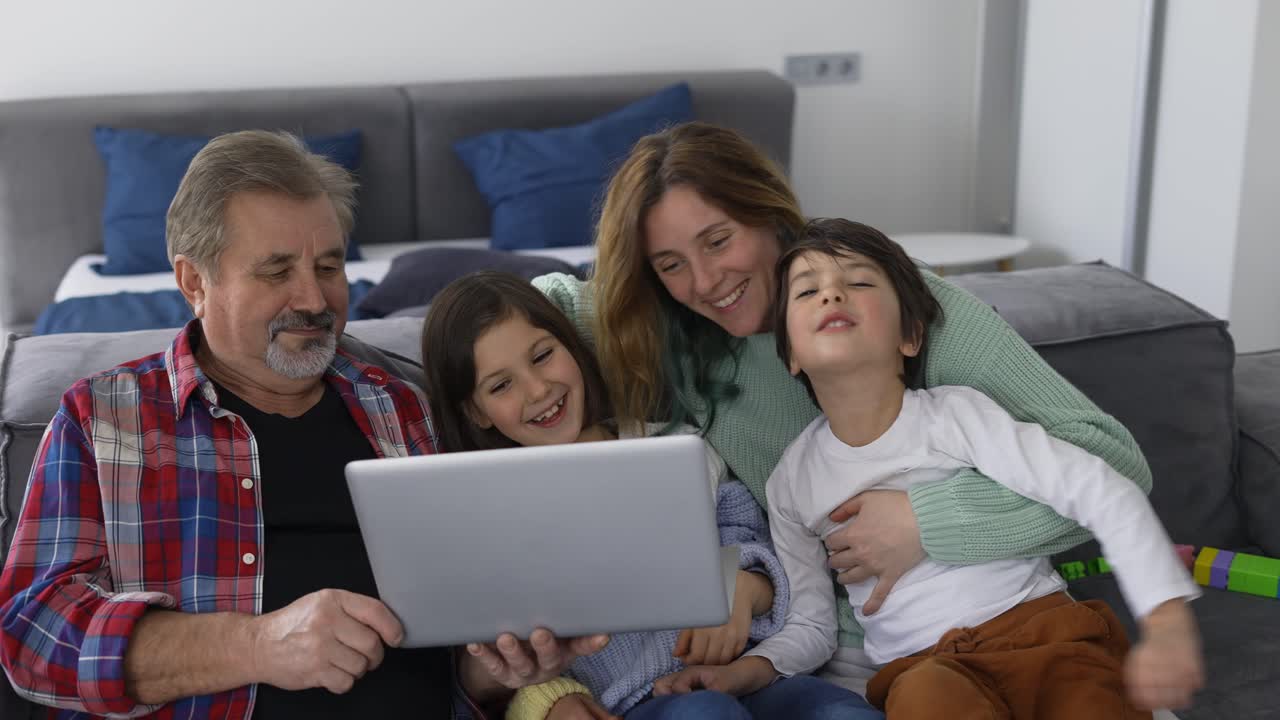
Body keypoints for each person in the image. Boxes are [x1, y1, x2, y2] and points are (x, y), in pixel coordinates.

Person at [533, 122, 1157, 693]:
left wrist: (925, 523)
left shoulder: (888, 305)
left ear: (769, 214)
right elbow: (539, 306)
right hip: (843, 658)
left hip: (1005, 621)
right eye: (671, 264)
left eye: (718, 240)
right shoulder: (671, 330)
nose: (704, 282)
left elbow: (1116, 467)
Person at [0, 131, 592, 720]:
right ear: (194, 283)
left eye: (329, 265)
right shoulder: (103, 420)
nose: (314, 298)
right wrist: (256, 646)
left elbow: (460, 640)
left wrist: (494, 672)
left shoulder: (407, 410)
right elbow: (30, 635)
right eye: (277, 271)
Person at [653, 219, 1205, 717]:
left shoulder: (957, 416)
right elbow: (812, 624)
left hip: (1042, 635)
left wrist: (1165, 620)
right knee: (924, 701)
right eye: (807, 291)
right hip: (923, 670)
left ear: (909, 337)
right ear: (791, 354)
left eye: (859, 283)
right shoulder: (792, 483)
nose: (832, 293)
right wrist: (742, 674)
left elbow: (1099, 486)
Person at [420, 272, 881, 720]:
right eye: (501, 385)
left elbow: (749, 537)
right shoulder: (491, 517)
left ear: (571, 347)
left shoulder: (672, 449)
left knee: (839, 709)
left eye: (542, 356)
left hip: (746, 675)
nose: (538, 389)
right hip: (634, 701)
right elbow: (495, 655)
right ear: (475, 411)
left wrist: (741, 588)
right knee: (704, 713)